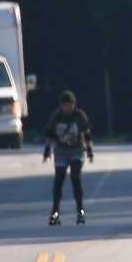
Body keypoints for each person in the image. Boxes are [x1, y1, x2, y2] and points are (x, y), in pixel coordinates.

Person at [43, 91, 93, 226]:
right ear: (61, 106)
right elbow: (49, 133)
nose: (67, 108)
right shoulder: (56, 116)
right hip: (61, 151)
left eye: (70, 105)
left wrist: (89, 150)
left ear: (74, 104)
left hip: (77, 150)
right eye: (65, 105)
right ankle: (55, 211)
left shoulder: (79, 116)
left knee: (75, 178)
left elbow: (86, 133)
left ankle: (80, 210)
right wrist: (47, 150)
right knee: (59, 179)